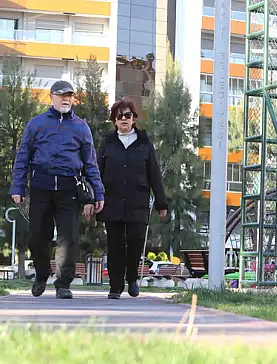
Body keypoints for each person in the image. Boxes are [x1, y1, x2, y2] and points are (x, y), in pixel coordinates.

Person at [10, 80, 104, 299]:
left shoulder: (81, 127)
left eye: (69, 96)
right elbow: (23, 156)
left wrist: (98, 193)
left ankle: (63, 284)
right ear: (51, 97)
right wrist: (17, 186)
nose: (66, 99)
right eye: (62, 95)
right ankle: (42, 274)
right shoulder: (36, 124)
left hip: (69, 187)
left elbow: (90, 162)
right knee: (37, 238)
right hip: (41, 185)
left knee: (68, 238)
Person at [96, 98, 168, 299]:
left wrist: (161, 202)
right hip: (112, 202)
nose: (123, 119)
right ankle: (115, 286)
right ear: (114, 120)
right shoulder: (108, 143)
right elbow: (97, 172)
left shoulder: (144, 143)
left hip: (138, 202)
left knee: (135, 241)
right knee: (115, 245)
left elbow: (154, 173)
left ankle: (133, 278)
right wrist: (93, 199)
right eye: (119, 116)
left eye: (127, 115)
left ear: (134, 118)